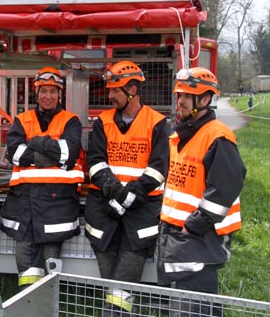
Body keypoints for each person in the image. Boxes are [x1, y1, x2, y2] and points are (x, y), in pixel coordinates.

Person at [83, 61, 169, 316]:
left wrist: (130, 194)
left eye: (115, 91)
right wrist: (112, 187)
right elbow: (95, 161)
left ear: (132, 89)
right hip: (104, 208)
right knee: (112, 278)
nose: (109, 96)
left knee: (123, 281)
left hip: (142, 209)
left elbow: (158, 168)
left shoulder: (157, 123)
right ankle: (118, 311)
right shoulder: (103, 122)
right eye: (109, 90)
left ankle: (115, 313)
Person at [158, 67, 245, 316]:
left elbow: (226, 186)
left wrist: (195, 224)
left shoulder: (217, 136)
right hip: (177, 233)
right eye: (179, 95)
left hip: (199, 234)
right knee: (184, 300)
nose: (180, 101)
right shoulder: (180, 133)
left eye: (187, 96)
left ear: (205, 99)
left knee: (195, 302)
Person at [0, 67, 85, 291]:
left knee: (50, 258)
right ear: (36, 94)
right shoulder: (22, 120)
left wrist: (36, 142)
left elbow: (69, 153)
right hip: (24, 201)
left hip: (57, 200)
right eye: (43, 91)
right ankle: (29, 302)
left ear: (60, 94)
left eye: (52, 91)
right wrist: (51, 153)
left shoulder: (71, 121)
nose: (48, 96)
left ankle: (47, 301)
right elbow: (16, 154)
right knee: (25, 259)